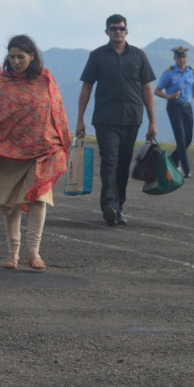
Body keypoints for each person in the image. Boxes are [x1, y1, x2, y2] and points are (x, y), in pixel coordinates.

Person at [0, 35, 71, 271]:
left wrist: (60, 141)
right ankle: (13, 253)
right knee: (12, 203)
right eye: (13, 56)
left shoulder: (45, 79)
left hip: (41, 150)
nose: (17, 61)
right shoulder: (0, 83)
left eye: (22, 57)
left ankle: (34, 252)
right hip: (8, 150)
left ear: (32, 56)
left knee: (38, 199)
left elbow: (56, 112)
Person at [75, 14, 157, 227]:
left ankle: (119, 206)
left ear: (126, 31)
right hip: (105, 119)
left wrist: (152, 121)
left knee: (122, 164)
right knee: (109, 161)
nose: (117, 31)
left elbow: (147, 89)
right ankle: (108, 205)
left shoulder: (138, 56)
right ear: (107, 32)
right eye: (113, 28)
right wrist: (80, 119)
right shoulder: (97, 56)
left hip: (132, 119)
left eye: (121, 28)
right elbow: (86, 87)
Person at [154, 46, 194, 178]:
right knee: (181, 139)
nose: (181, 59)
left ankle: (171, 161)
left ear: (186, 58)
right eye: (179, 57)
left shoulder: (191, 72)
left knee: (188, 139)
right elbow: (157, 91)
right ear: (174, 58)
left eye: (183, 57)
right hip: (174, 106)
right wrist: (168, 97)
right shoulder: (169, 72)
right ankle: (186, 169)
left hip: (187, 107)